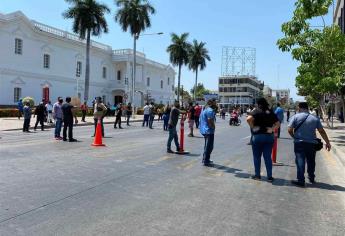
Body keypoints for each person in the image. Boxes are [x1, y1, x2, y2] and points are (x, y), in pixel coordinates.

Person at [288, 102, 331, 187]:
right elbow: (321, 131)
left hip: (299, 143)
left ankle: (301, 180)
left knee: (300, 161)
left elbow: (289, 129)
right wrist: (327, 142)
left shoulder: (295, 117)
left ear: (299, 108)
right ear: (307, 108)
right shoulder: (315, 118)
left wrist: (294, 137)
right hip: (311, 144)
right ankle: (311, 177)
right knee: (311, 161)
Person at [247, 98, 280, 182]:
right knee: (268, 157)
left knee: (257, 157)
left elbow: (248, 119)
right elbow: (278, 124)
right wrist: (272, 129)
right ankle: (270, 177)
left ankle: (257, 176)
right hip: (269, 137)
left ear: (258, 104)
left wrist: (252, 127)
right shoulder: (270, 111)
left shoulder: (256, 111)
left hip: (257, 136)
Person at [199, 99, 217, 166]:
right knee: (209, 146)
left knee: (207, 145)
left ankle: (205, 159)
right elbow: (209, 120)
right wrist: (213, 126)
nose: (216, 104)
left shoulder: (205, 109)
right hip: (208, 131)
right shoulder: (210, 110)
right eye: (215, 103)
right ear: (212, 103)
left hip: (204, 130)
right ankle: (206, 160)